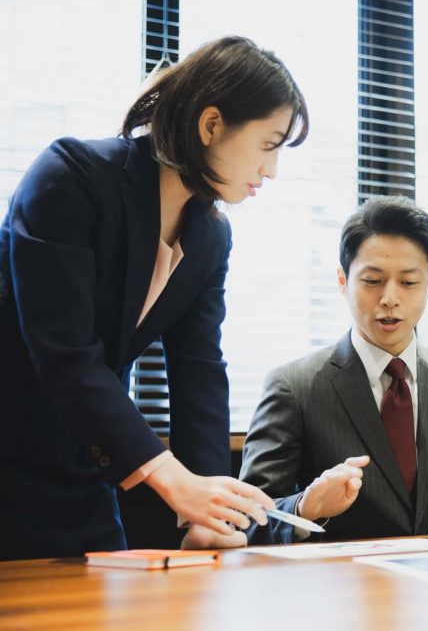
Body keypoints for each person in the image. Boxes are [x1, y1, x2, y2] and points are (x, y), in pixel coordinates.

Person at [0, 36, 309, 559]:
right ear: (212, 124)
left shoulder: (211, 235)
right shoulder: (70, 177)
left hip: (86, 474)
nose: (272, 170)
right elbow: (66, 355)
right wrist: (172, 479)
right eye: (268, 144)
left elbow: (199, 371)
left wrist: (211, 508)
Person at [240, 196, 428, 544]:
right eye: (372, 281)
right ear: (342, 280)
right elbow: (246, 520)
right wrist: (305, 507)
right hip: (341, 589)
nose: (390, 298)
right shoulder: (294, 387)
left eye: (409, 283)